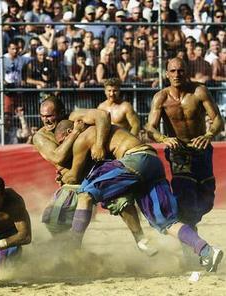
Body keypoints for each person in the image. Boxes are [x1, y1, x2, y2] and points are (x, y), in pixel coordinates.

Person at [55, 120, 223, 272]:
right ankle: (207, 250)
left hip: (134, 160)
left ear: (70, 132)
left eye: (63, 142)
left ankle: (73, 246)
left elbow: (73, 176)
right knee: (167, 222)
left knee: (86, 194)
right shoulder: (103, 128)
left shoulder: (83, 137)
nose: (65, 148)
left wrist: (62, 175)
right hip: (151, 162)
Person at [32, 96, 154, 255]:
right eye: (43, 116)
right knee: (53, 220)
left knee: (121, 200)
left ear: (61, 112)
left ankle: (140, 240)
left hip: (96, 172)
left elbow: (102, 115)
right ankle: (69, 253)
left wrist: (99, 144)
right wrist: (75, 133)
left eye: (50, 116)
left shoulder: (74, 117)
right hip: (72, 180)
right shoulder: (41, 136)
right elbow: (58, 157)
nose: (46, 120)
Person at [145, 58, 224, 228]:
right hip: (178, 152)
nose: (176, 74)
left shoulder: (199, 91)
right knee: (185, 194)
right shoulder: (161, 97)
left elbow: (218, 119)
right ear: (166, 74)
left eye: (180, 70)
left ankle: (188, 224)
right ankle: (188, 238)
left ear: (186, 72)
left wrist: (209, 135)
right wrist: (164, 139)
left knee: (207, 199)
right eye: (172, 71)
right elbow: (150, 128)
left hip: (201, 149)